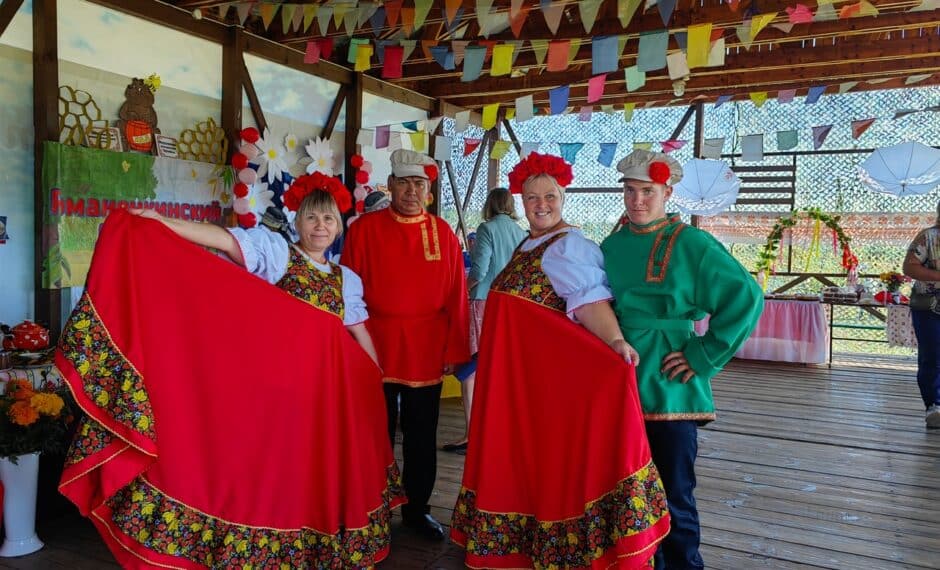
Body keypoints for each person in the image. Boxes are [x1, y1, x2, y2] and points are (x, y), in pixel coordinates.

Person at [57, 172, 406, 568]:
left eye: (328, 219)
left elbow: (358, 332)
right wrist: (162, 222)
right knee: (273, 468)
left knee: (312, 469)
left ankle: (311, 541)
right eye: (311, 217)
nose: (320, 226)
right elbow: (224, 239)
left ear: (338, 227)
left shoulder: (347, 280)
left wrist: (372, 380)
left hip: (321, 397)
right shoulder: (277, 253)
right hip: (275, 389)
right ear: (298, 222)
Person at [451, 152, 670, 569]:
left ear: (563, 197)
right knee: (528, 461)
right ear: (521, 201)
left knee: (549, 461)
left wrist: (615, 342)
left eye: (549, 196)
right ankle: (531, 543)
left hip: (544, 383)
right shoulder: (527, 243)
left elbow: (588, 303)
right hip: (521, 382)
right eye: (532, 197)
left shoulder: (569, 246)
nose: (541, 205)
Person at [601, 149, 764, 569]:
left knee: (673, 489)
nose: (637, 200)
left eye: (647, 191)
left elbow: (746, 296)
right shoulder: (611, 244)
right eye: (630, 191)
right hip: (619, 376)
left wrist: (704, 352)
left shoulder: (691, 242)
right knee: (622, 487)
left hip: (669, 379)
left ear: (667, 193)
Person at [342, 149, 470, 541]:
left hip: (425, 349)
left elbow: (457, 296)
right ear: (391, 185)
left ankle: (417, 510)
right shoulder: (363, 230)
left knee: (421, 435)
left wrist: (455, 350)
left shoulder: (443, 232)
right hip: (374, 346)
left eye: (419, 184)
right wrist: (349, 345)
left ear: (428, 190)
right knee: (373, 434)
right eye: (404, 183)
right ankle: (373, 508)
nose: (412, 191)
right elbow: (347, 290)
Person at [442, 187, 526, 453]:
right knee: (497, 368)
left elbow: (479, 270)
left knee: (469, 371)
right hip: (509, 306)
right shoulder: (521, 233)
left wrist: (461, 292)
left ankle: (472, 433)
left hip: (482, 302)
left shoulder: (487, 229)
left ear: (489, 205)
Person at [902, 199, 940, 429]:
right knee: (933, 356)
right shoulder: (929, 237)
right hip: (930, 307)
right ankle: (934, 405)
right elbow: (909, 267)